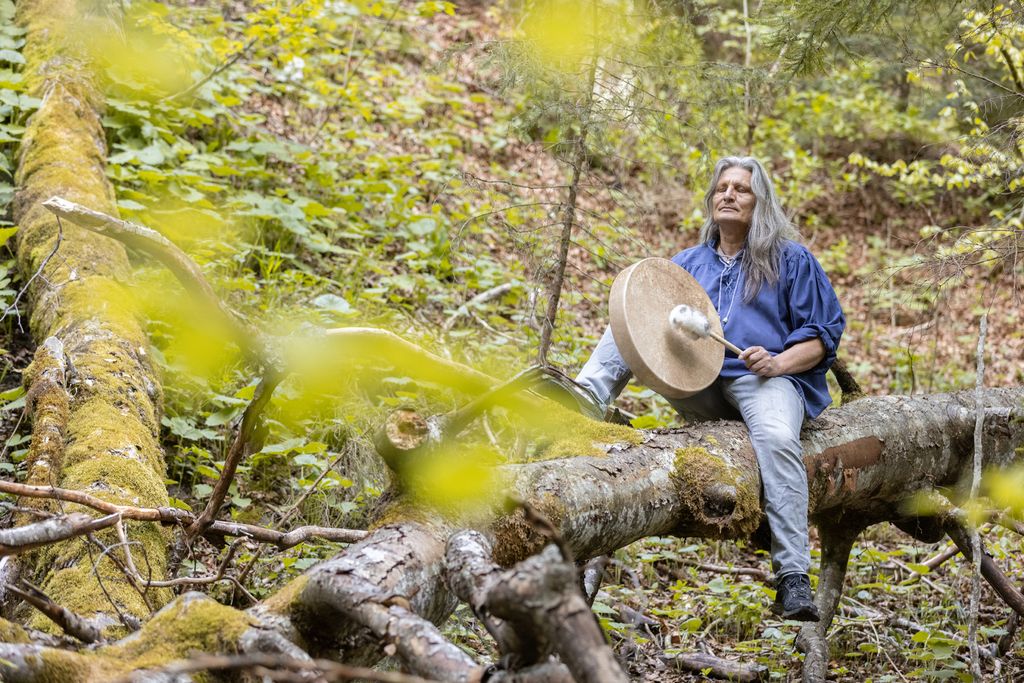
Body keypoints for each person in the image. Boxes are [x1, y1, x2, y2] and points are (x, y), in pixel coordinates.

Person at [575, 156, 845, 622]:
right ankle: (586, 398)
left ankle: (793, 579)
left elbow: (825, 334)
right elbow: (645, 325)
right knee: (632, 314)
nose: (729, 195)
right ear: (711, 199)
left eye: (742, 189)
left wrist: (778, 361)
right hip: (697, 387)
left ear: (761, 202)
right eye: (723, 187)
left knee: (779, 439)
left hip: (764, 383)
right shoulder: (686, 265)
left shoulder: (791, 259)